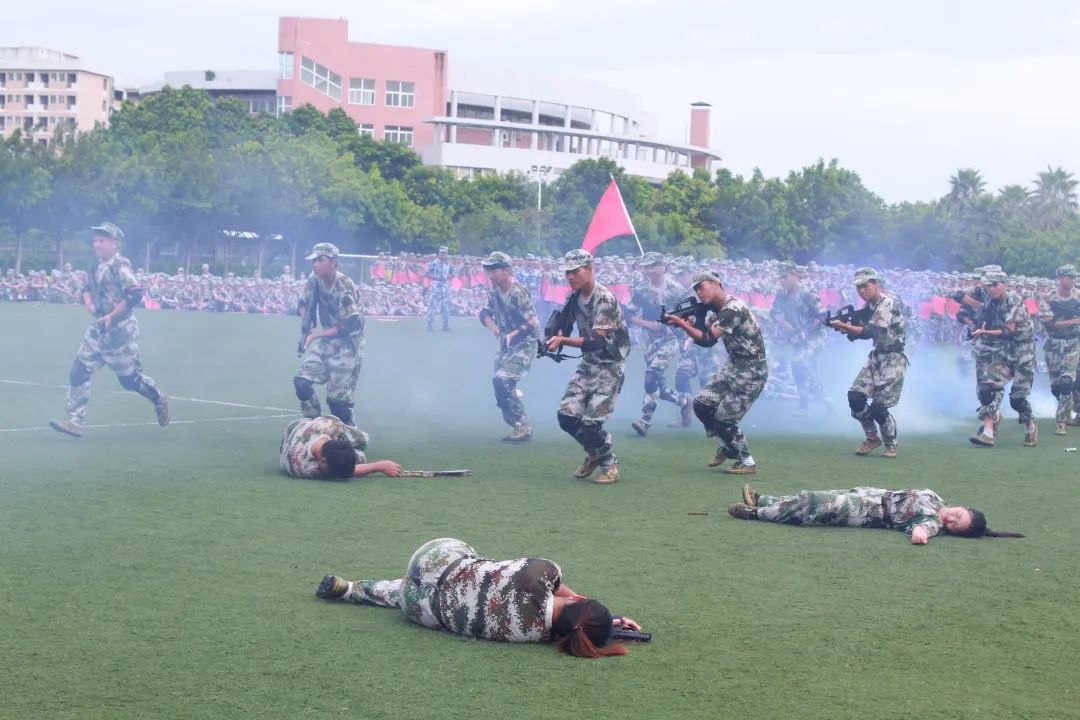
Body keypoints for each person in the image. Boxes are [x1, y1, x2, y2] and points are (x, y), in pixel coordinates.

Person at [314, 537, 642, 658]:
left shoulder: (541, 572)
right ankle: (352, 590)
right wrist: (608, 626)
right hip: (421, 611)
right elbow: (573, 625)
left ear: (577, 604)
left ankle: (354, 588)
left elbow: (560, 593)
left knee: (470, 565)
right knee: (426, 594)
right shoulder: (534, 637)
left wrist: (603, 615)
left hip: (432, 559)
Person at [49, 222, 169, 437]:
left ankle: (158, 397)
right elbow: (86, 289)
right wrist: (91, 306)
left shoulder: (120, 265)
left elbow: (134, 294)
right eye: (95, 240)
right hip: (98, 329)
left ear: (115, 243)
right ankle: (75, 421)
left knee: (129, 380)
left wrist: (112, 316)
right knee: (78, 370)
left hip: (119, 331)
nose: (96, 244)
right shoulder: (96, 266)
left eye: (102, 240)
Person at [664, 271, 768, 474]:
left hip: (752, 370)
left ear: (715, 283)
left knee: (724, 418)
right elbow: (709, 341)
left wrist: (682, 324)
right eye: (695, 289)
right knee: (702, 405)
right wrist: (690, 321)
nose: (698, 293)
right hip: (734, 365)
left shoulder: (733, 309)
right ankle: (727, 444)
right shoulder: (716, 311)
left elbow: (706, 338)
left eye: (700, 287)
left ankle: (747, 461)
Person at [545, 249, 631, 484]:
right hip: (589, 363)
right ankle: (594, 453)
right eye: (567, 272)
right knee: (566, 416)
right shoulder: (574, 297)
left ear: (589, 269)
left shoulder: (604, 299)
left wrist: (563, 341)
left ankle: (608, 462)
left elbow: (596, 341)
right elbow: (566, 323)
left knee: (592, 423)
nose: (570, 276)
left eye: (575, 271)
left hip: (609, 365)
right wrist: (556, 334)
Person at [728, 484, 1024, 545]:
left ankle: (756, 513)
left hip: (866, 512)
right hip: (869, 495)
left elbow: (922, 533)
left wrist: (921, 536)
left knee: (813, 505)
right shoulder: (936, 499)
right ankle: (764, 499)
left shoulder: (932, 523)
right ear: (965, 507)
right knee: (809, 498)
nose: (951, 520)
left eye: (955, 527)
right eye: (958, 516)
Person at [828, 268, 906, 458]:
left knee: (879, 408)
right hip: (876, 358)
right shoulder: (869, 308)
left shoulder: (887, 303)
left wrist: (844, 326)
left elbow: (870, 332)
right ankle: (872, 437)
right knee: (855, 397)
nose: (862, 290)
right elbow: (862, 333)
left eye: (866, 285)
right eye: (859, 287)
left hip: (893, 360)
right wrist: (847, 329)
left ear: (876, 283)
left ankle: (890, 443)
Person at [294, 242, 365, 426]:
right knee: (302, 383)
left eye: (320, 260)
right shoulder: (314, 279)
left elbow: (347, 325)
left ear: (333, 262)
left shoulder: (344, 285)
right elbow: (303, 304)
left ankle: (352, 436)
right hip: (327, 341)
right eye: (314, 261)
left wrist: (315, 335)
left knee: (337, 402)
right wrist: (306, 323)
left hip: (348, 345)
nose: (315, 264)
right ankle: (313, 424)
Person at [968, 270, 1038, 447]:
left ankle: (1030, 425)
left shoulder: (1013, 299)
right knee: (987, 387)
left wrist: (984, 332)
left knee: (1017, 399)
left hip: (1024, 351)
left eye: (995, 284)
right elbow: (980, 319)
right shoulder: (989, 302)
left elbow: (1009, 331)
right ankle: (988, 432)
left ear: (1005, 284)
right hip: (1004, 351)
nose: (992, 289)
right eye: (989, 285)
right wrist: (976, 331)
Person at [625, 252, 692, 435]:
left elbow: (689, 313)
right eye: (647, 267)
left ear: (663, 266)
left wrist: (674, 324)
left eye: (654, 266)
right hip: (650, 340)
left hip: (671, 338)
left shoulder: (676, 289)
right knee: (657, 386)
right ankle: (684, 402)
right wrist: (648, 324)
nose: (651, 270)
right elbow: (629, 315)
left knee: (651, 376)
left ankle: (645, 420)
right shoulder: (641, 290)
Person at [478, 251, 540, 441]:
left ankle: (523, 426)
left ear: (506, 270)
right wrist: (495, 330)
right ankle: (517, 425)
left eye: (494, 270)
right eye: (488, 271)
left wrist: (512, 335)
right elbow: (484, 314)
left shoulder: (517, 292)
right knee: (501, 388)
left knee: (502, 381)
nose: (491, 275)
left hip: (524, 344)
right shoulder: (495, 292)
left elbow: (533, 321)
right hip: (507, 346)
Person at [768, 262, 828, 414]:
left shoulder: (807, 293)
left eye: (785, 277)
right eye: (780, 278)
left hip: (815, 337)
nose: (782, 281)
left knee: (799, 362)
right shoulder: (781, 294)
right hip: (797, 338)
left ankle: (804, 404)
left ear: (795, 276)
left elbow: (822, 315)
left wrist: (807, 330)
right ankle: (826, 399)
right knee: (808, 369)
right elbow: (775, 314)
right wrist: (787, 326)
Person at [279, 416, 401, 479]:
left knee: (362, 441)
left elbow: (363, 440)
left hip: (313, 426)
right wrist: (378, 466)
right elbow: (350, 471)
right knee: (360, 458)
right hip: (292, 432)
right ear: (322, 462)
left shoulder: (332, 426)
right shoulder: (303, 466)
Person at [1037, 265, 1080, 435]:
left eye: (1074, 277)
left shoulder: (1078, 295)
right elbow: (1049, 324)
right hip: (1053, 344)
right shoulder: (1048, 297)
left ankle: (1062, 420)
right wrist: (1074, 321)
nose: (1073, 280)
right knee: (1056, 387)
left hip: (1074, 343)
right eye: (1069, 277)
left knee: (1067, 381)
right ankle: (1068, 407)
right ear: (1060, 278)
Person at [425, 246, 453, 331]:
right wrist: (436, 278)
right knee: (433, 307)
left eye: (445, 253)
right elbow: (426, 274)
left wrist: (448, 277)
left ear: (447, 254)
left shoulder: (449, 264)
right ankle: (429, 325)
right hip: (436, 287)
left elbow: (453, 274)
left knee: (446, 307)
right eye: (442, 253)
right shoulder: (433, 263)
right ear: (439, 253)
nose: (443, 255)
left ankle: (445, 325)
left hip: (445, 288)